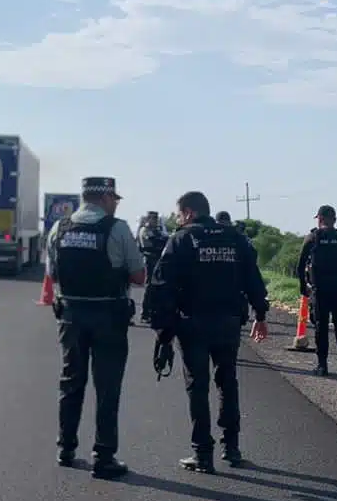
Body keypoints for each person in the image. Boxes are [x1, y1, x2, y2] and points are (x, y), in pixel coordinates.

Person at [147, 191, 270, 473]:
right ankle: (232, 447)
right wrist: (260, 314)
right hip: (228, 322)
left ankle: (203, 454)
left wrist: (163, 331)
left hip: (192, 323)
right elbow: (253, 278)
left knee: (197, 386)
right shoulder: (236, 238)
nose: (178, 219)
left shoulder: (180, 240)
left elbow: (161, 286)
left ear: (189, 213)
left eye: (179, 214)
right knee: (228, 381)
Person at [45, 176, 144, 478]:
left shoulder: (58, 228)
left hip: (71, 317)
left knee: (71, 382)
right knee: (107, 387)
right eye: (115, 199)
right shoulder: (117, 228)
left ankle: (66, 448)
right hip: (108, 317)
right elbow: (139, 276)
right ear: (105, 198)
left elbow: (52, 273)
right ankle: (104, 456)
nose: (115, 204)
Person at [296, 203, 337, 376]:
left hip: (321, 290)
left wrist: (304, 287)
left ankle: (322, 365)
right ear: (334, 219)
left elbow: (300, 265)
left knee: (321, 326)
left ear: (320, 219)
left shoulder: (313, 237)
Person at [135, 210, 168, 325]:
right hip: (149, 259)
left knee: (156, 287)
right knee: (149, 286)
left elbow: (165, 240)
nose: (155, 220)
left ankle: (152, 312)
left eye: (156, 218)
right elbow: (153, 242)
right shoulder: (145, 230)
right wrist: (161, 241)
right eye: (153, 218)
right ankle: (145, 313)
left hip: (157, 259)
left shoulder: (157, 231)